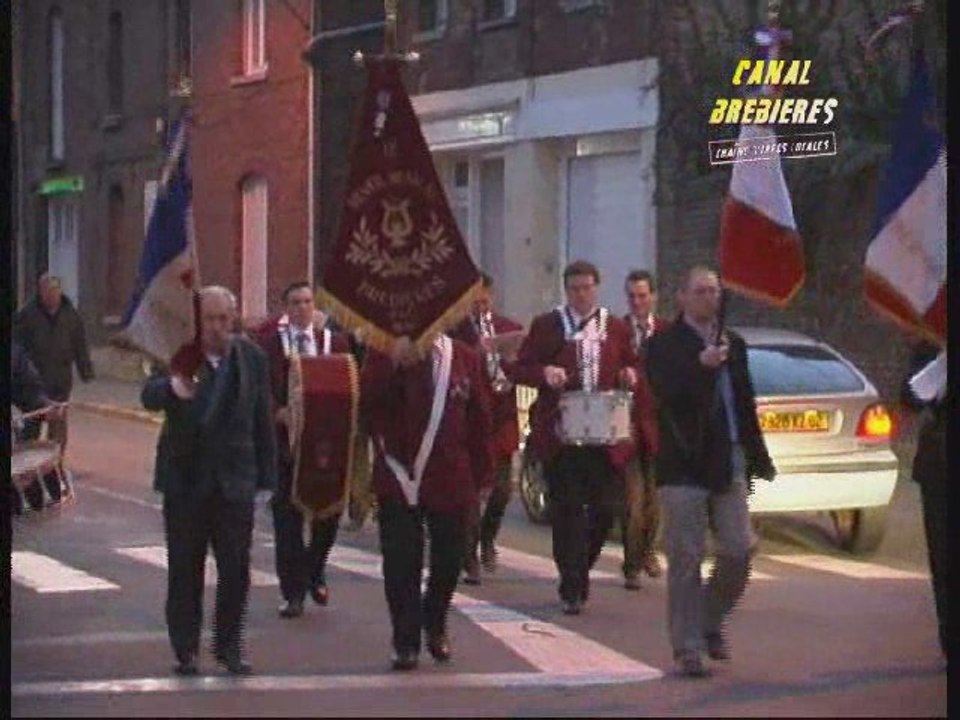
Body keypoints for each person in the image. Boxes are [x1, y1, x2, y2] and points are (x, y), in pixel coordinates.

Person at [645, 266, 775, 678]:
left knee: (739, 549)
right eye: (700, 291)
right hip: (683, 461)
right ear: (681, 297)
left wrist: (758, 455)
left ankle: (706, 619)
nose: (709, 298)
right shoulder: (663, 343)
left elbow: (744, 402)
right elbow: (667, 393)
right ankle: (687, 648)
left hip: (728, 456)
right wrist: (700, 366)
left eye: (714, 291)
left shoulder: (733, 344)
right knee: (686, 555)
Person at [142, 285, 277, 676]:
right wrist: (171, 388)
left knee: (236, 570)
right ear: (197, 321)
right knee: (185, 570)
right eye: (210, 319)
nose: (217, 327)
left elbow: (262, 420)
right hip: (186, 481)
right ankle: (185, 648)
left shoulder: (251, 357)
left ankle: (229, 645)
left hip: (235, 481)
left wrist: (266, 479)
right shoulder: (180, 355)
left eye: (224, 319)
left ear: (233, 319)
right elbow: (148, 395)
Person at [511, 260, 653, 615]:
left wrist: (629, 375)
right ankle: (572, 584)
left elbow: (634, 364)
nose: (581, 294)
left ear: (597, 288)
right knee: (567, 510)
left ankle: (581, 569)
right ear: (566, 290)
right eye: (574, 288)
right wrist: (546, 373)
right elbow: (519, 367)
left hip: (606, 438)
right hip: (563, 435)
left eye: (587, 287)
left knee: (606, 508)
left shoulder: (616, 327)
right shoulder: (547, 326)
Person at [361, 332, 492, 671]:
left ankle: (434, 618)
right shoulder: (382, 353)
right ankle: (404, 640)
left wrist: (484, 474)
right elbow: (367, 405)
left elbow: (479, 416)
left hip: (450, 472)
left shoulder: (463, 355)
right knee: (401, 559)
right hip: (399, 472)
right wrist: (394, 365)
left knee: (450, 558)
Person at [256, 282, 351, 619]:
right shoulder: (269, 347)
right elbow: (259, 389)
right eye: (295, 302)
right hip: (285, 446)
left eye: (307, 302)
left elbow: (350, 385)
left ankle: (315, 567)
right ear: (286, 308)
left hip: (326, 446)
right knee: (287, 519)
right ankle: (292, 592)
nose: (302, 308)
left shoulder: (334, 344)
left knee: (329, 514)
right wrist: (276, 412)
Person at [449, 273, 524, 585]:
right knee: (469, 494)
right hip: (471, 419)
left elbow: (524, 366)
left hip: (501, 415)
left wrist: (512, 362)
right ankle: (469, 559)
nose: (480, 305)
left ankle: (488, 539)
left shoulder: (507, 326)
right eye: (474, 300)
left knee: (502, 489)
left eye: (484, 299)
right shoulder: (457, 331)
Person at [619, 269, 670, 590]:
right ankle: (631, 564)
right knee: (632, 502)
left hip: (660, 429)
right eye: (632, 296)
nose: (637, 302)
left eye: (642, 296)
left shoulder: (667, 332)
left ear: (653, 297)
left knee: (656, 501)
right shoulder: (616, 331)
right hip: (627, 428)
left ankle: (649, 550)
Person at [899, 339, 947, 665]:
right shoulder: (931, 344)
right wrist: (940, 366)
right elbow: (911, 398)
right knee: (944, 559)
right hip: (941, 466)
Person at [14, 273, 95, 449]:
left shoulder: (71, 316)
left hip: (61, 380)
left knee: (58, 425)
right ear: (41, 292)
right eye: (48, 291)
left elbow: (80, 344)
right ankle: (27, 463)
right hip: (34, 380)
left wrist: (86, 371)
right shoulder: (27, 315)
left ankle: (55, 465)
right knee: (32, 423)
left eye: (55, 291)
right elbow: (17, 346)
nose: (52, 295)